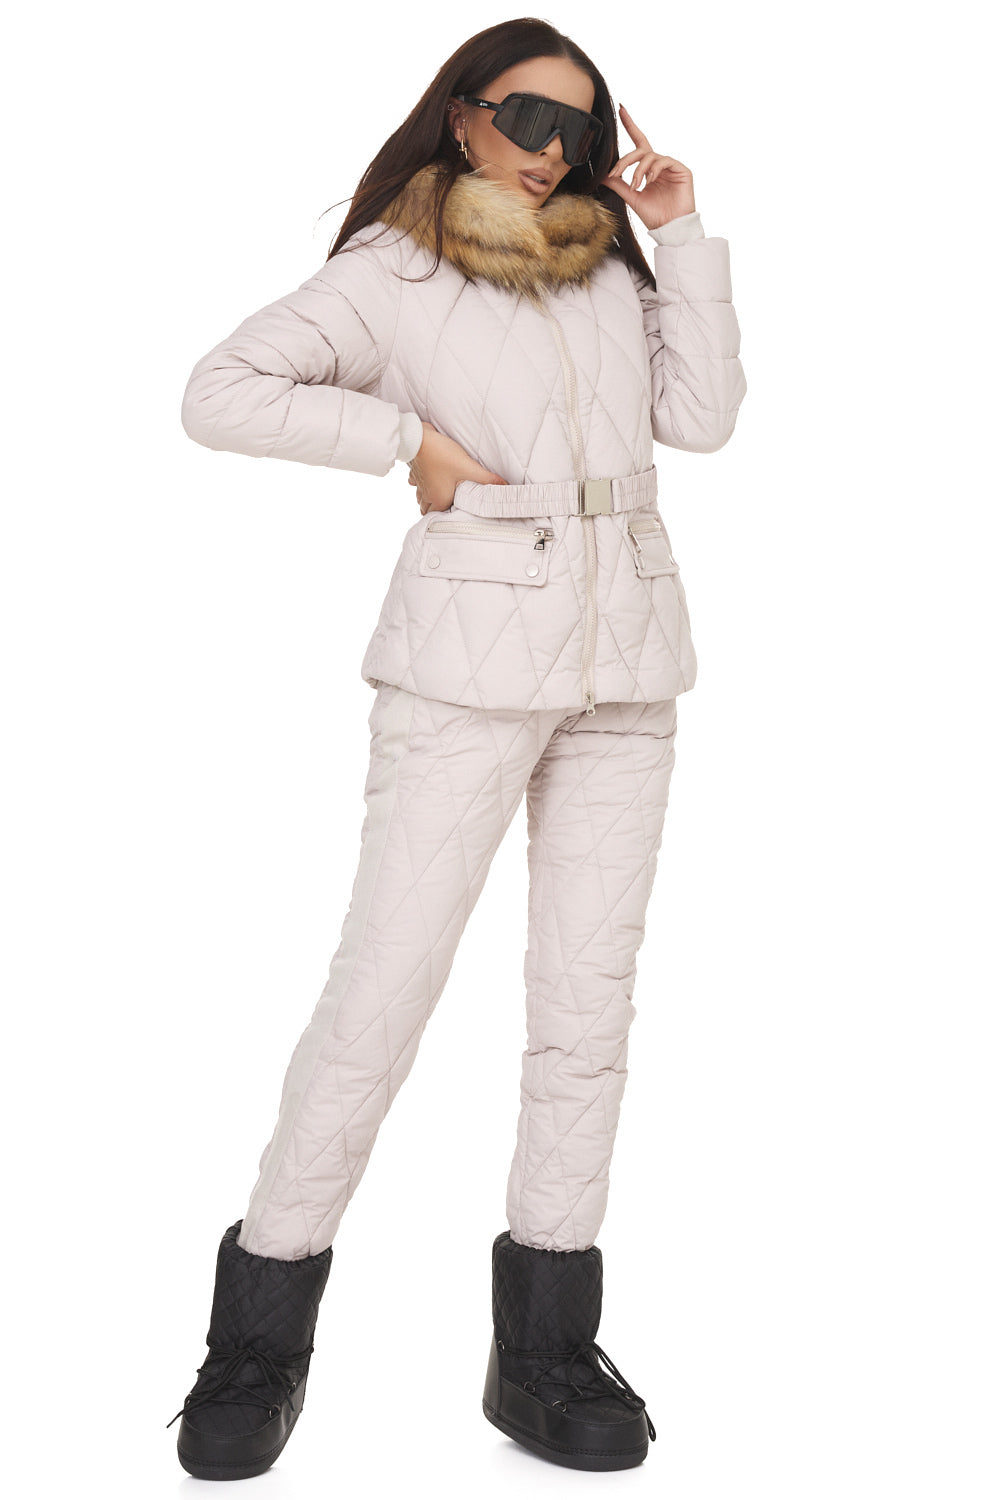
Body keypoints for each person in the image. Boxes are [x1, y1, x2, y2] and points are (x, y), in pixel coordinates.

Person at [166, 16, 747, 1478]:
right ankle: (257, 1338)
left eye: (580, 127)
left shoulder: (613, 261)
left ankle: (544, 1349)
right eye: (526, 118)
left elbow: (704, 420)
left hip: (628, 669)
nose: (553, 150)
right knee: (382, 994)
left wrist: (685, 237)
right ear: (464, 115)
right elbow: (218, 392)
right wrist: (401, 444)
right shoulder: (395, 269)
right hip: (464, 670)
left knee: (586, 1012)